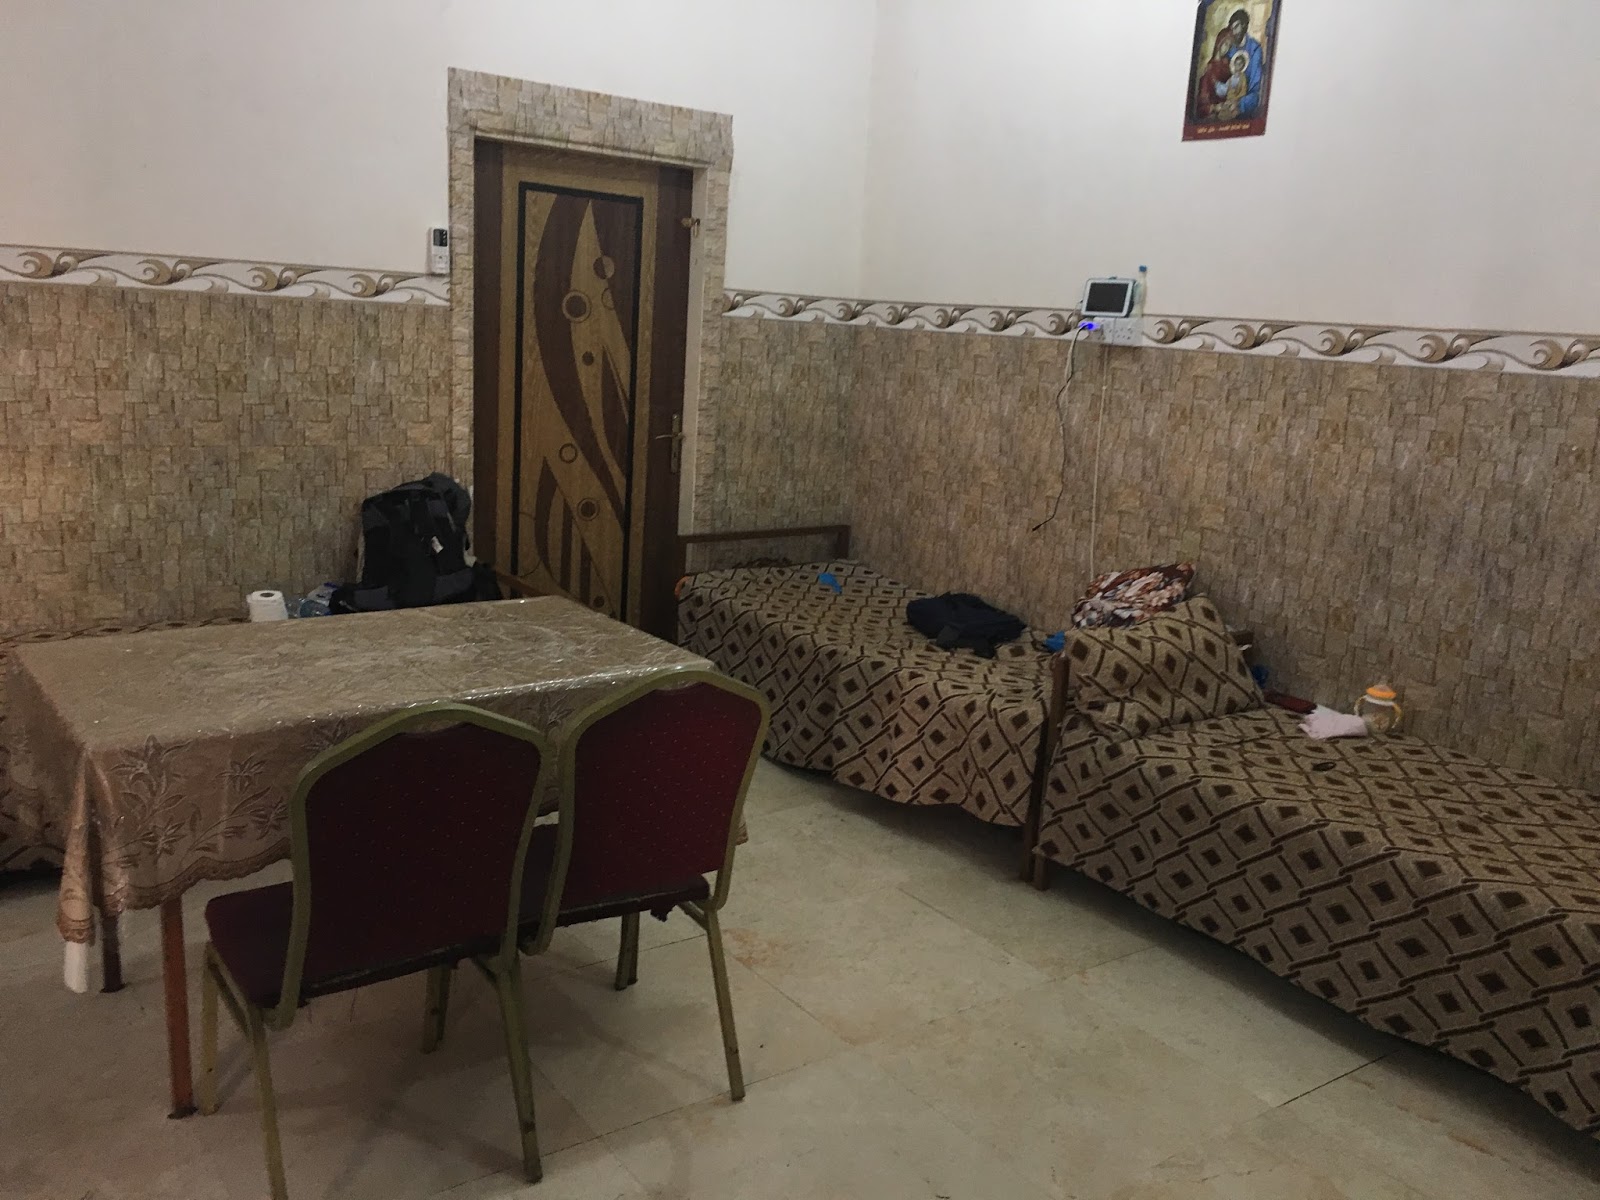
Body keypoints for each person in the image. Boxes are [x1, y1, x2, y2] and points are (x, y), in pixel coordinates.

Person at [1208, 8, 1266, 120]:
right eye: (1232, 28)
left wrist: (1239, 103)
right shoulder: (1229, 47)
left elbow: (1256, 91)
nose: (1233, 32)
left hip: (1244, 111)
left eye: (1236, 27)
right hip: (1224, 102)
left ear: (1244, 26)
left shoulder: (1254, 49)